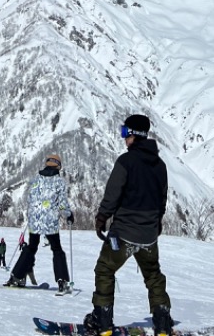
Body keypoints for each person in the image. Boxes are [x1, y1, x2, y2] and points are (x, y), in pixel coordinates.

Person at [84, 115, 173, 336]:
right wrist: (157, 223)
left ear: (134, 135)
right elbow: (162, 200)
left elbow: (113, 194)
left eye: (125, 133)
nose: (124, 138)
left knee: (105, 269)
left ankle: (102, 322)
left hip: (124, 232)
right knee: (153, 276)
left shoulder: (125, 161)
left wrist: (101, 218)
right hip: (149, 234)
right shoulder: (160, 166)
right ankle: (162, 324)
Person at [4, 154, 73, 292]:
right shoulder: (59, 181)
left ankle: (16, 276)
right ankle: (62, 281)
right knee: (57, 249)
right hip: (50, 220)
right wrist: (68, 215)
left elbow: (30, 199)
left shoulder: (36, 179)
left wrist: (33, 215)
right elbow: (62, 204)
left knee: (31, 247)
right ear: (58, 166)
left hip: (35, 220)